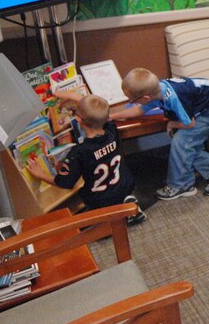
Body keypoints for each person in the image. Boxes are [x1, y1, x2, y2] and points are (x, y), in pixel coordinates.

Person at [111, 68, 209, 200]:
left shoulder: (173, 97)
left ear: (146, 98)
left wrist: (172, 124)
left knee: (181, 141)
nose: (131, 102)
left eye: (132, 99)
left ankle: (181, 185)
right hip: (206, 106)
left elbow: (190, 124)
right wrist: (113, 116)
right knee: (187, 148)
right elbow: (138, 110)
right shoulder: (157, 91)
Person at [26, 93, 146, 225]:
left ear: (78, 120)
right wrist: (77, 100)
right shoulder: (112, 129)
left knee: (87, 225)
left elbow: (65, 183)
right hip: (124, 186)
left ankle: (109, 220)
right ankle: (125, 205)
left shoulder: (80, 151)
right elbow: (102, 114)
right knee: (117, 192)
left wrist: (41, 174)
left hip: (100, 199)